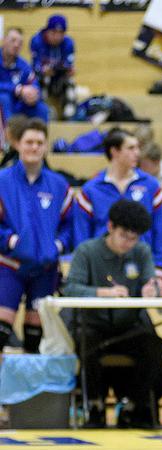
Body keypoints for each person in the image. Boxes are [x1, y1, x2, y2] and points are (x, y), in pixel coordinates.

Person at [63, 200, 162, 429]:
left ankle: (134, 404)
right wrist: (103, 293)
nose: (128, 243)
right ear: (110, 227)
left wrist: (151, 289)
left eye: (134, 238)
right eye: (124, 235)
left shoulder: (141, 252)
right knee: (85, 344)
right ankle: (94, 404)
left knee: (156, 346)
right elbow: (71, 288)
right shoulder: (87, 251)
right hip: (93, 324)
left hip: (127, 326)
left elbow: (149, 281)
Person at [0, 118, 72, 355]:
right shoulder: (2, 181)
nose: (34, 147)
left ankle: (29, 391)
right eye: (29, 142)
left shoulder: (59, 184)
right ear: (18, 145)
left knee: (35, 336)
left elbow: (69, 225)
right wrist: (9, 240)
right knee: (1, 328)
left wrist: (59, 245)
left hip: (45, 269)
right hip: (9, 266)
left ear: (46, 146)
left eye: (39, 142)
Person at [75, 129, 162, 278]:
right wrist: (84, 266)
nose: (137, 153)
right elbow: (81, 234)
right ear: (114, 151)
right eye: (131, 148)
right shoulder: (91, 189)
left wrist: (161, 266)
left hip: (142, 264)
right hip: (101, 265)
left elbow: (161, 229)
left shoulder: (151, 186)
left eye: (138, 148)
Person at [29, 14, 76, 120]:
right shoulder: (37, 40)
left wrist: (70, 70)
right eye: (54, 32)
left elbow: (69, 64)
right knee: (41, 79)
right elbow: (34, 65)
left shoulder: (68, 43)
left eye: (61, 33)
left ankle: (69, 116)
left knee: (70, 81)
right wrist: (43, 70)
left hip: (59, 78)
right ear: (47, 31)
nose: (57, 37)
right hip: (43, 78)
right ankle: (44, 111)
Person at [0, 28, 49, 122]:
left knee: (41, 108)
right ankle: (9, 135)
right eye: (13, 40)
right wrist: (17, 89)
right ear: (4, 40)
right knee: (4, 98)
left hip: (17, 104)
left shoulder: (24, 65)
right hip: (4, 102)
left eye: (20, 43)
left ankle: (40, 135)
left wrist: (33, 94)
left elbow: (33, 83)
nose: (16, 45)